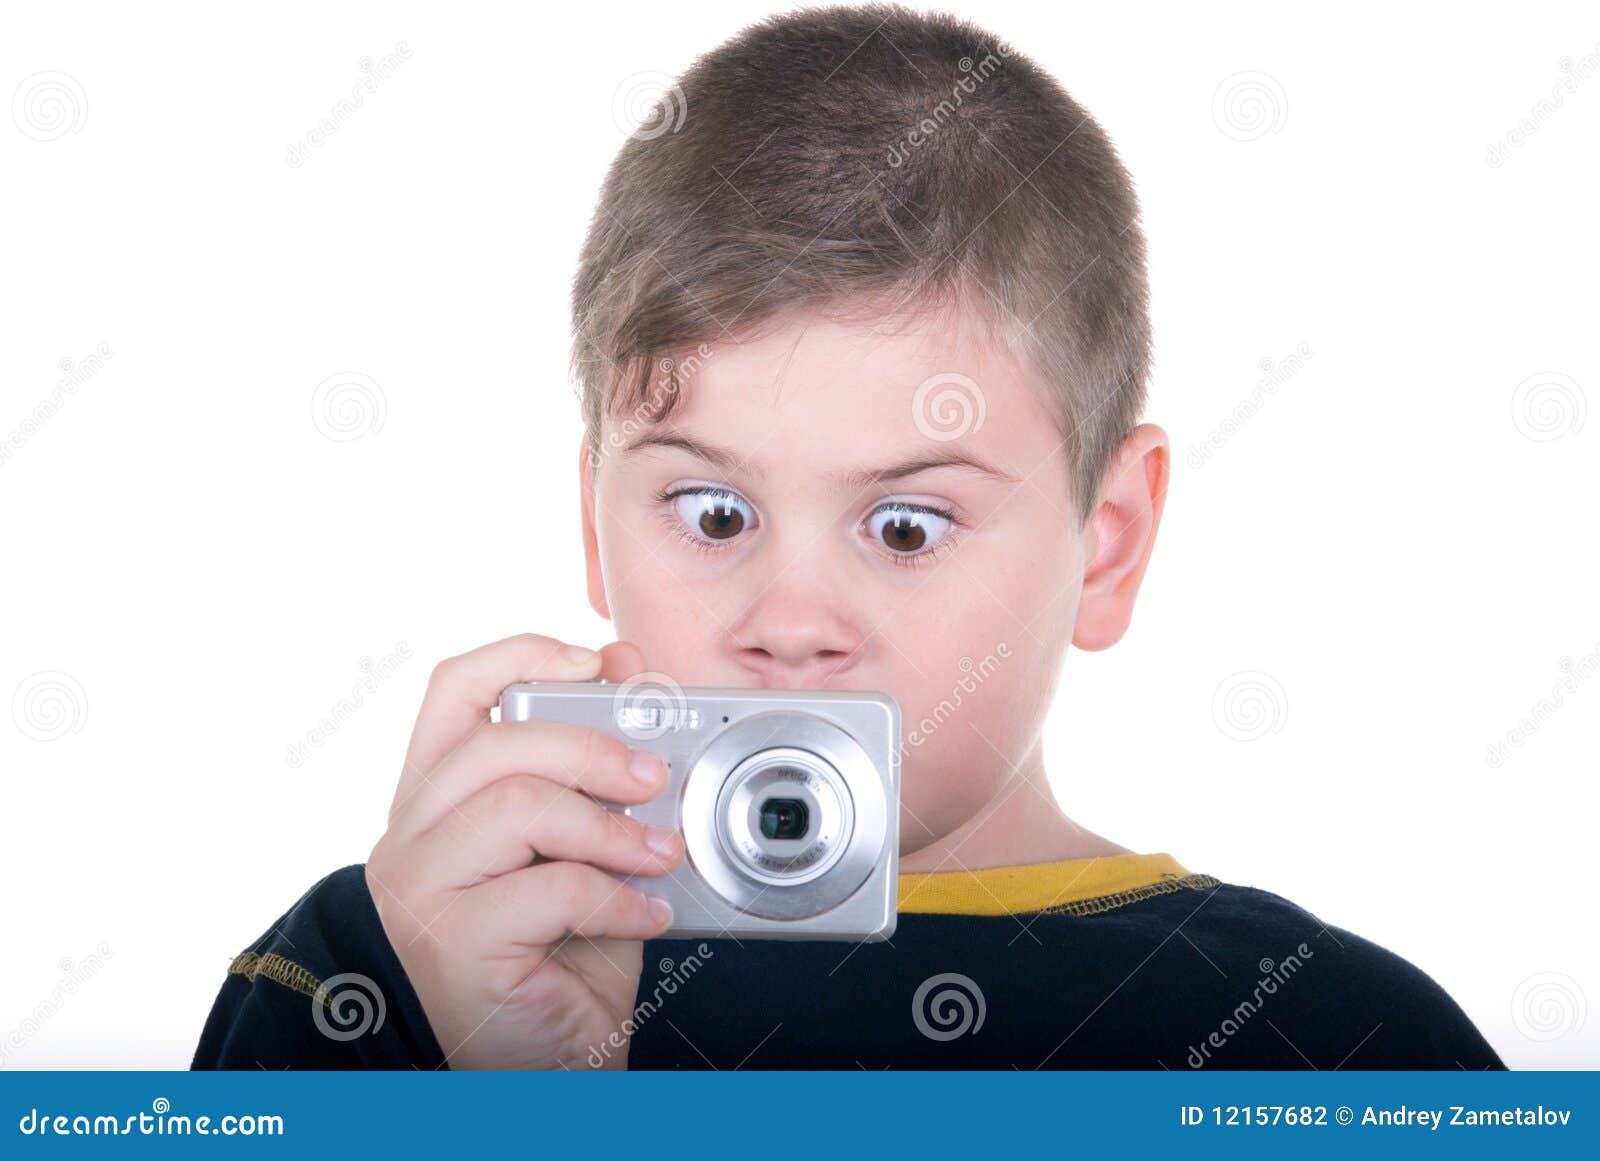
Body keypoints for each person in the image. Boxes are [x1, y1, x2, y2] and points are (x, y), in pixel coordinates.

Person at [194, 4, 1504, 1070]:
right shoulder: (376, 979)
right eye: (714, 512)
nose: (791, 616)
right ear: (596, 528)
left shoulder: (1336, 1043)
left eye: (906, 523)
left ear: (1106, 546)